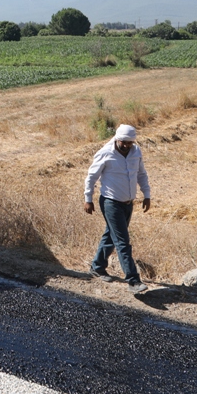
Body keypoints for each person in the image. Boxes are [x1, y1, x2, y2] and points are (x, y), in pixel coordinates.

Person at [83, 124, 151, 293]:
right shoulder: (105, 153)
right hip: (110, 202)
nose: (127, 146)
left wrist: (147, 195)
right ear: (117, 139)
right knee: (122, 242)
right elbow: (91, 177)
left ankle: (97, 267)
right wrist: (88, 199)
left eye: (130, 142)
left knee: (112, 235)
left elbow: (141, 174)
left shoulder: (136, 152)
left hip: (128, 203)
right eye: (124, 142)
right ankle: (133, 281)